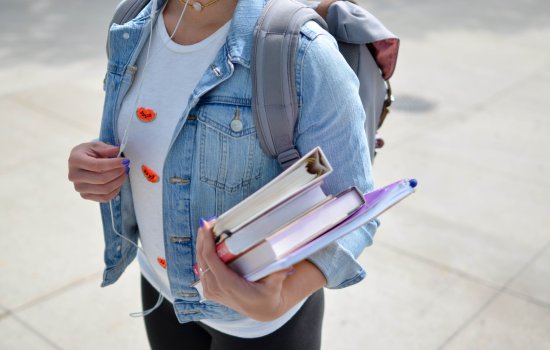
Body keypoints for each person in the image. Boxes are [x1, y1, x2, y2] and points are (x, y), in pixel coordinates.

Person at [67, 0, 378, 348]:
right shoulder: (132, 22)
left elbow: (355, 206)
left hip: (262, 328)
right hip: (159, 288)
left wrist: (281, 297)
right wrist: (94, 163)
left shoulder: (303, 52)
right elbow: (145, 135)